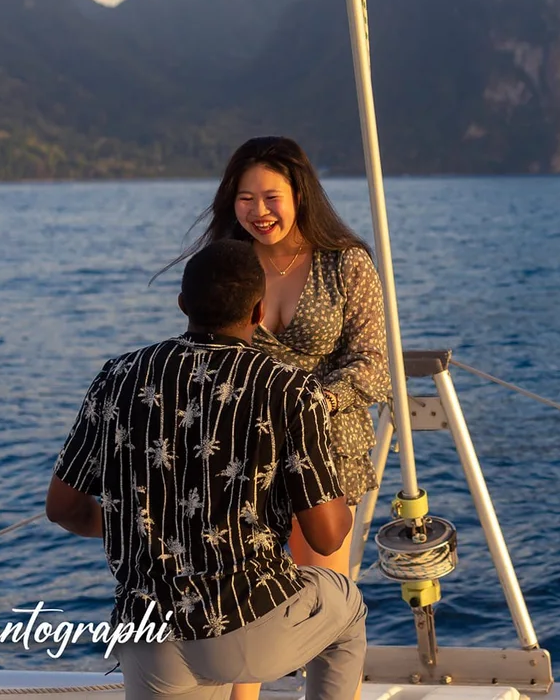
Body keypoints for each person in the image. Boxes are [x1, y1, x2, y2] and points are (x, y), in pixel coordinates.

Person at [46, 239, 367, 700]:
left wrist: (135, 524)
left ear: (182, 305)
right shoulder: (288, 388)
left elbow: (62, 508)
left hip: (148, 632)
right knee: (346, 604)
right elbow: (327, 536)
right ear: (258, 312)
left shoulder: (116, 377)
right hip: (247, 625)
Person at [172, 137, 390, 700]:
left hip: (327, 449)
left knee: (324, 603)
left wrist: (303, 403)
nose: (258, 210)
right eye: (245, 198)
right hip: (244, 453)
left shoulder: (346, 264)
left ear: (300, 193)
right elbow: (202, 356)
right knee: (246, 602)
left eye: (271, 196)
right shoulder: (226, 265)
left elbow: (373, 366)